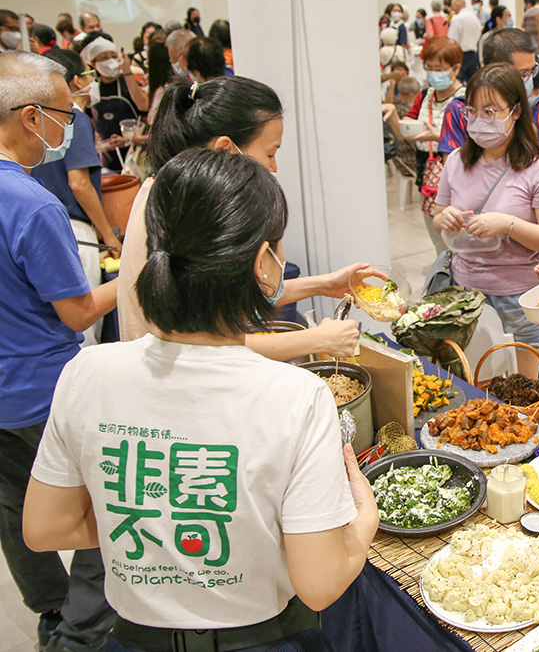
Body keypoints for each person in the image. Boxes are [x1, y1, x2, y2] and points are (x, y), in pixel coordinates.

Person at [24, 148, 379, 651]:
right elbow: (319, 584)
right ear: (263, 262)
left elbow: (45, 527)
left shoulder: (88, 371)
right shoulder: (296, 396)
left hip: (133, 640)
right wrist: (363, 520)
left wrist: (153, 520)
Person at [118, 76, 367, 364]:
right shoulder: (180, 212)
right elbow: (202, 345)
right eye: (270, 153)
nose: (273, 168)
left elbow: (231, 298)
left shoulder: (176, 192)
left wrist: (324, 285)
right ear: (225, 148)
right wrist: (317, 339)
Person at [0, 49, 117, 652]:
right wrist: (139, 273)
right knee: (103, 510)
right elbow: (75, 311)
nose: (69, 125)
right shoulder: (30, 203)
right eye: (65, 113)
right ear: (28, 117)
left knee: (16, 511)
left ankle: (49, 610)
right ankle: (83, 633)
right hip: (42, 389)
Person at [434, 63, 539, 376]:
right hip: (466, 293)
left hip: (521, 297)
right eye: (473, 111)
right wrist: (446, 217)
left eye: (491, 111)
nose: (480, 120)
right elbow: (438, 214)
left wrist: (508, 224)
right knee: (474, 385)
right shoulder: (457, 161)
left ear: (516, 112)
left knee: (525, 394)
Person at [30, 48, 119, 344]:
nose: (92, 78)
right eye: (86, 72)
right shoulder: (74, 120)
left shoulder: (39, 125)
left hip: (48, 228)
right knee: (85, 327)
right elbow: (79, 183)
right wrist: (108, 234)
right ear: (72, 81)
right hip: (76, 230)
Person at [382, 37, 465, 253]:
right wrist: (393, 114)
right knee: (438, 240)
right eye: (428, 67)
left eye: (438, 68)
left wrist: (438, 137)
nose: (432, 73)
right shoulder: (425, 95)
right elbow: (403, 132)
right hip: (428, 174)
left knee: (459, 240)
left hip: (459, 176)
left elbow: (474, 144)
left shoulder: (466, 99)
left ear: (455, 68)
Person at [438, 29, 539, 158]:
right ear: (493, 69)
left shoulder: (536, 108)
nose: (529, 79)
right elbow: (453, 169)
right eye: (523, 74)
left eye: (532, 71)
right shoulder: (460, 110)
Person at [80, 32, 149, 171]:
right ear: (94, 63)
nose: (110, 60)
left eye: (113, 56)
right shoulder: (92, 89)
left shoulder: (128, 84)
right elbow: (91, 120)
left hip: (134, 153)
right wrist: (99, 141)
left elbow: (145, 114)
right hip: (106, 155)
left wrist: (130, 138)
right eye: (104, 58)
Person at [448, 0, 481, 83]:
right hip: (474, 55)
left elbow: (452, 40)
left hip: (461, 55)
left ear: (456, 5)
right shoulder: (474, 18)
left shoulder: (457, 19)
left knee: (459, 83)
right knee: (473, 83)